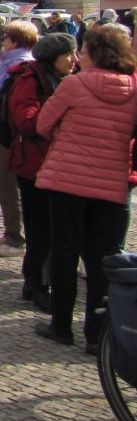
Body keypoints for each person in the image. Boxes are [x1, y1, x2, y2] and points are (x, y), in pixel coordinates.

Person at [34, 24, 137, 353]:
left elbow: (43, 125)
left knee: (65, 253)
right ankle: (97, 333)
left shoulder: (73, 84)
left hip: (67, 180)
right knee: (102, 260)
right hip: (111, 181)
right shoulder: (134, 88)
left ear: (93, 52)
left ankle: (61, 324)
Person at [6, 32, 76, 313]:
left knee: (52, 228)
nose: (73, 60)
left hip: (57, 164)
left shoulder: (66, 79)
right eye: (68, 54)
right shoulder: (29, 80)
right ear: (52, 58)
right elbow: (26, 122)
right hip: (34, 165)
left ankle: (36, 279)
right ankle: (36, 283)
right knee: (40, 229)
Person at [0, 20, 39, 258]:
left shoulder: (22, 65)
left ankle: (16, 239)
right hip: (4, 132)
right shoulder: (9, 62)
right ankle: (11, 233)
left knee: (10, 184)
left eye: (6, 37)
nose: (3, 41)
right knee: (6, 184)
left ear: (15, 41)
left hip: (11, 134)